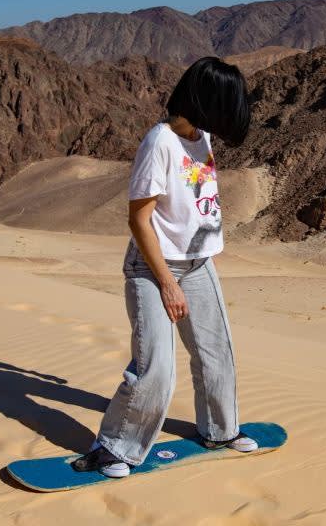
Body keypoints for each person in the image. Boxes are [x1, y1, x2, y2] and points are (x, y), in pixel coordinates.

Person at [72, 57, 255, 478]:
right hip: (153, 266)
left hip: (198, 264)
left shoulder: (201, 135)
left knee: (216, 355)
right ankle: (112, 447)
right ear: (207, 101)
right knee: (156, 368)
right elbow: (139, 220)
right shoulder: (160, 143)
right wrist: (168, 283)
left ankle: (219, 431)